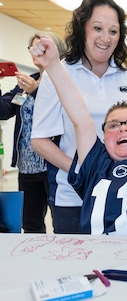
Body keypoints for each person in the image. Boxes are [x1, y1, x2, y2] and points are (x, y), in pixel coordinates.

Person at [30, 30, 127, 235]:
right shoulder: (95, 166)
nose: (123, 128)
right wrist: (54, 65)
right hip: (98, 263)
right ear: (102, 137)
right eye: (113, 125)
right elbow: (80, 118)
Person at [31, 0, 127, 234]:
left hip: (123, 194)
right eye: (97, 28)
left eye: (113, 31)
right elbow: (39, 140)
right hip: (73, 197)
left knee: (119, 265)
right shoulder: (59, 74)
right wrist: (82, 172)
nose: (105, 38)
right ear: (82, 28)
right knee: (77, 267)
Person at [0, 32, 66, 233]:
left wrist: (37, 90)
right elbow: (4, 111)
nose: (36, 52)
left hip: (54, 165)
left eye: (42, 47)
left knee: (61, 223)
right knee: (30, 225)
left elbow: (64, 112)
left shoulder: (64, 81)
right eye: (33, 48)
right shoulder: (27, 82)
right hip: (27, 167)